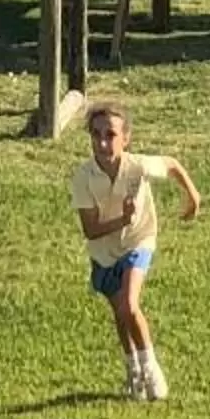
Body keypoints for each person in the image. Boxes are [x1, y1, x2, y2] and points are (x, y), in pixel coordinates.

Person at [67, 103, 200, 402]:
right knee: (120, 314)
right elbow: (90, 229)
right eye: (96, 135)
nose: (102, 143)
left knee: (129, 304)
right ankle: (133, 370)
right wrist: (122, 219)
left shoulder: (137, 166)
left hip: (138, 240)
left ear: (125, 138)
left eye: (110, 135)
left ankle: (151, 368)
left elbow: (172, 164)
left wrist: (193, 196)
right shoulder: (83, 177)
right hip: (104, 253)